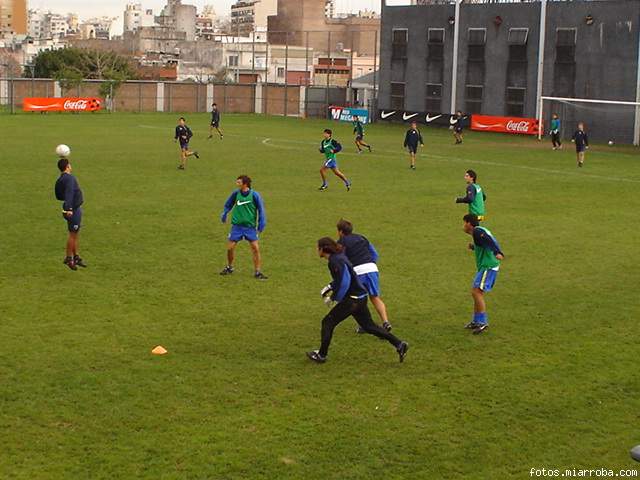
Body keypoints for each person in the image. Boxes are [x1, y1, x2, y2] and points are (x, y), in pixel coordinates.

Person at [307, 237, 409, 364]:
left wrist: (334, 298)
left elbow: (345, 281)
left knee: (327, 322)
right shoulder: (339, 257)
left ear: (323, 248)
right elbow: (343, 277)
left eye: (318, 248)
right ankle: (399, 344)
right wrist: (329, 287)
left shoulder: (334, 261)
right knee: (369, 326)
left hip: (352, 300)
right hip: (361, 297)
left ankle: (321, 355)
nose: (317, 250)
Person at [336, 219, 392, 333]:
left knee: (357, 298)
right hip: (372, 268)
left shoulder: (341, 242)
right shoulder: (362, 238)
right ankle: (385, 322)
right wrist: (370, 265)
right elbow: (374, 254)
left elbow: (341, 260)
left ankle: (365, 325)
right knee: (374, 297)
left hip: (357, 271)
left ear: (340, 231)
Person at [462, 214, 504, 335]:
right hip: (487, 265)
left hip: (489, 266)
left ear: (469, 223)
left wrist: (497, 252)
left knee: (476, 292)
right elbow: (484, 243)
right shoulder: (479, 232)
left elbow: (488, 240)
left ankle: (482, 322)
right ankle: (476, 321)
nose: (463, 226)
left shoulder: (477, 232)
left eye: (464, 223)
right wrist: (473, 247)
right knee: (476, 292)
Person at [219, 175, 268, 279]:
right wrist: (224, 213)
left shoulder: (255, 195)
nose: (237, 184)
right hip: (237, 227)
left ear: (245, 184)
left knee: (255, 248)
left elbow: (261, 209)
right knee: (230, 248)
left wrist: (261, 222)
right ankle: (230, 267)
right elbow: (228, 204)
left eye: (239, 182)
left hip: (250, 227)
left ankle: (257, 272)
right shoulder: (235, 194)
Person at [54, 158, 87, 271]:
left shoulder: (60, 179)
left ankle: (76, 257)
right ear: (67, 166)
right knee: (73, 235)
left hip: (69, 208)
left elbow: (58, 195)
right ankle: (69, 258)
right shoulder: (70, 179)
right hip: (73, 210)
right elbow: (69, 193)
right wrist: (69, 208)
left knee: (75, 233)